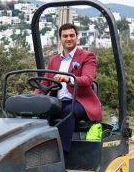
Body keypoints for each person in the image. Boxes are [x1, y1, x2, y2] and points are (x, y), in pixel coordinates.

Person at [41, 23, 102, 154]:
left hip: (80, 102)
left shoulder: (87, 57)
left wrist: (69, 79)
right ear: (60, 39)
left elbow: (87, 79)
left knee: (68, 111)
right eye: (65, 36)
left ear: (76, 37)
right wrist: (33, 98)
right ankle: (39, 150)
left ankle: (62, 153)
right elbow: (45, 83)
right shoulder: (53, 61)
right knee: (39, 111)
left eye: (71, 35)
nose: (68, 38)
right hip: (58, 102)